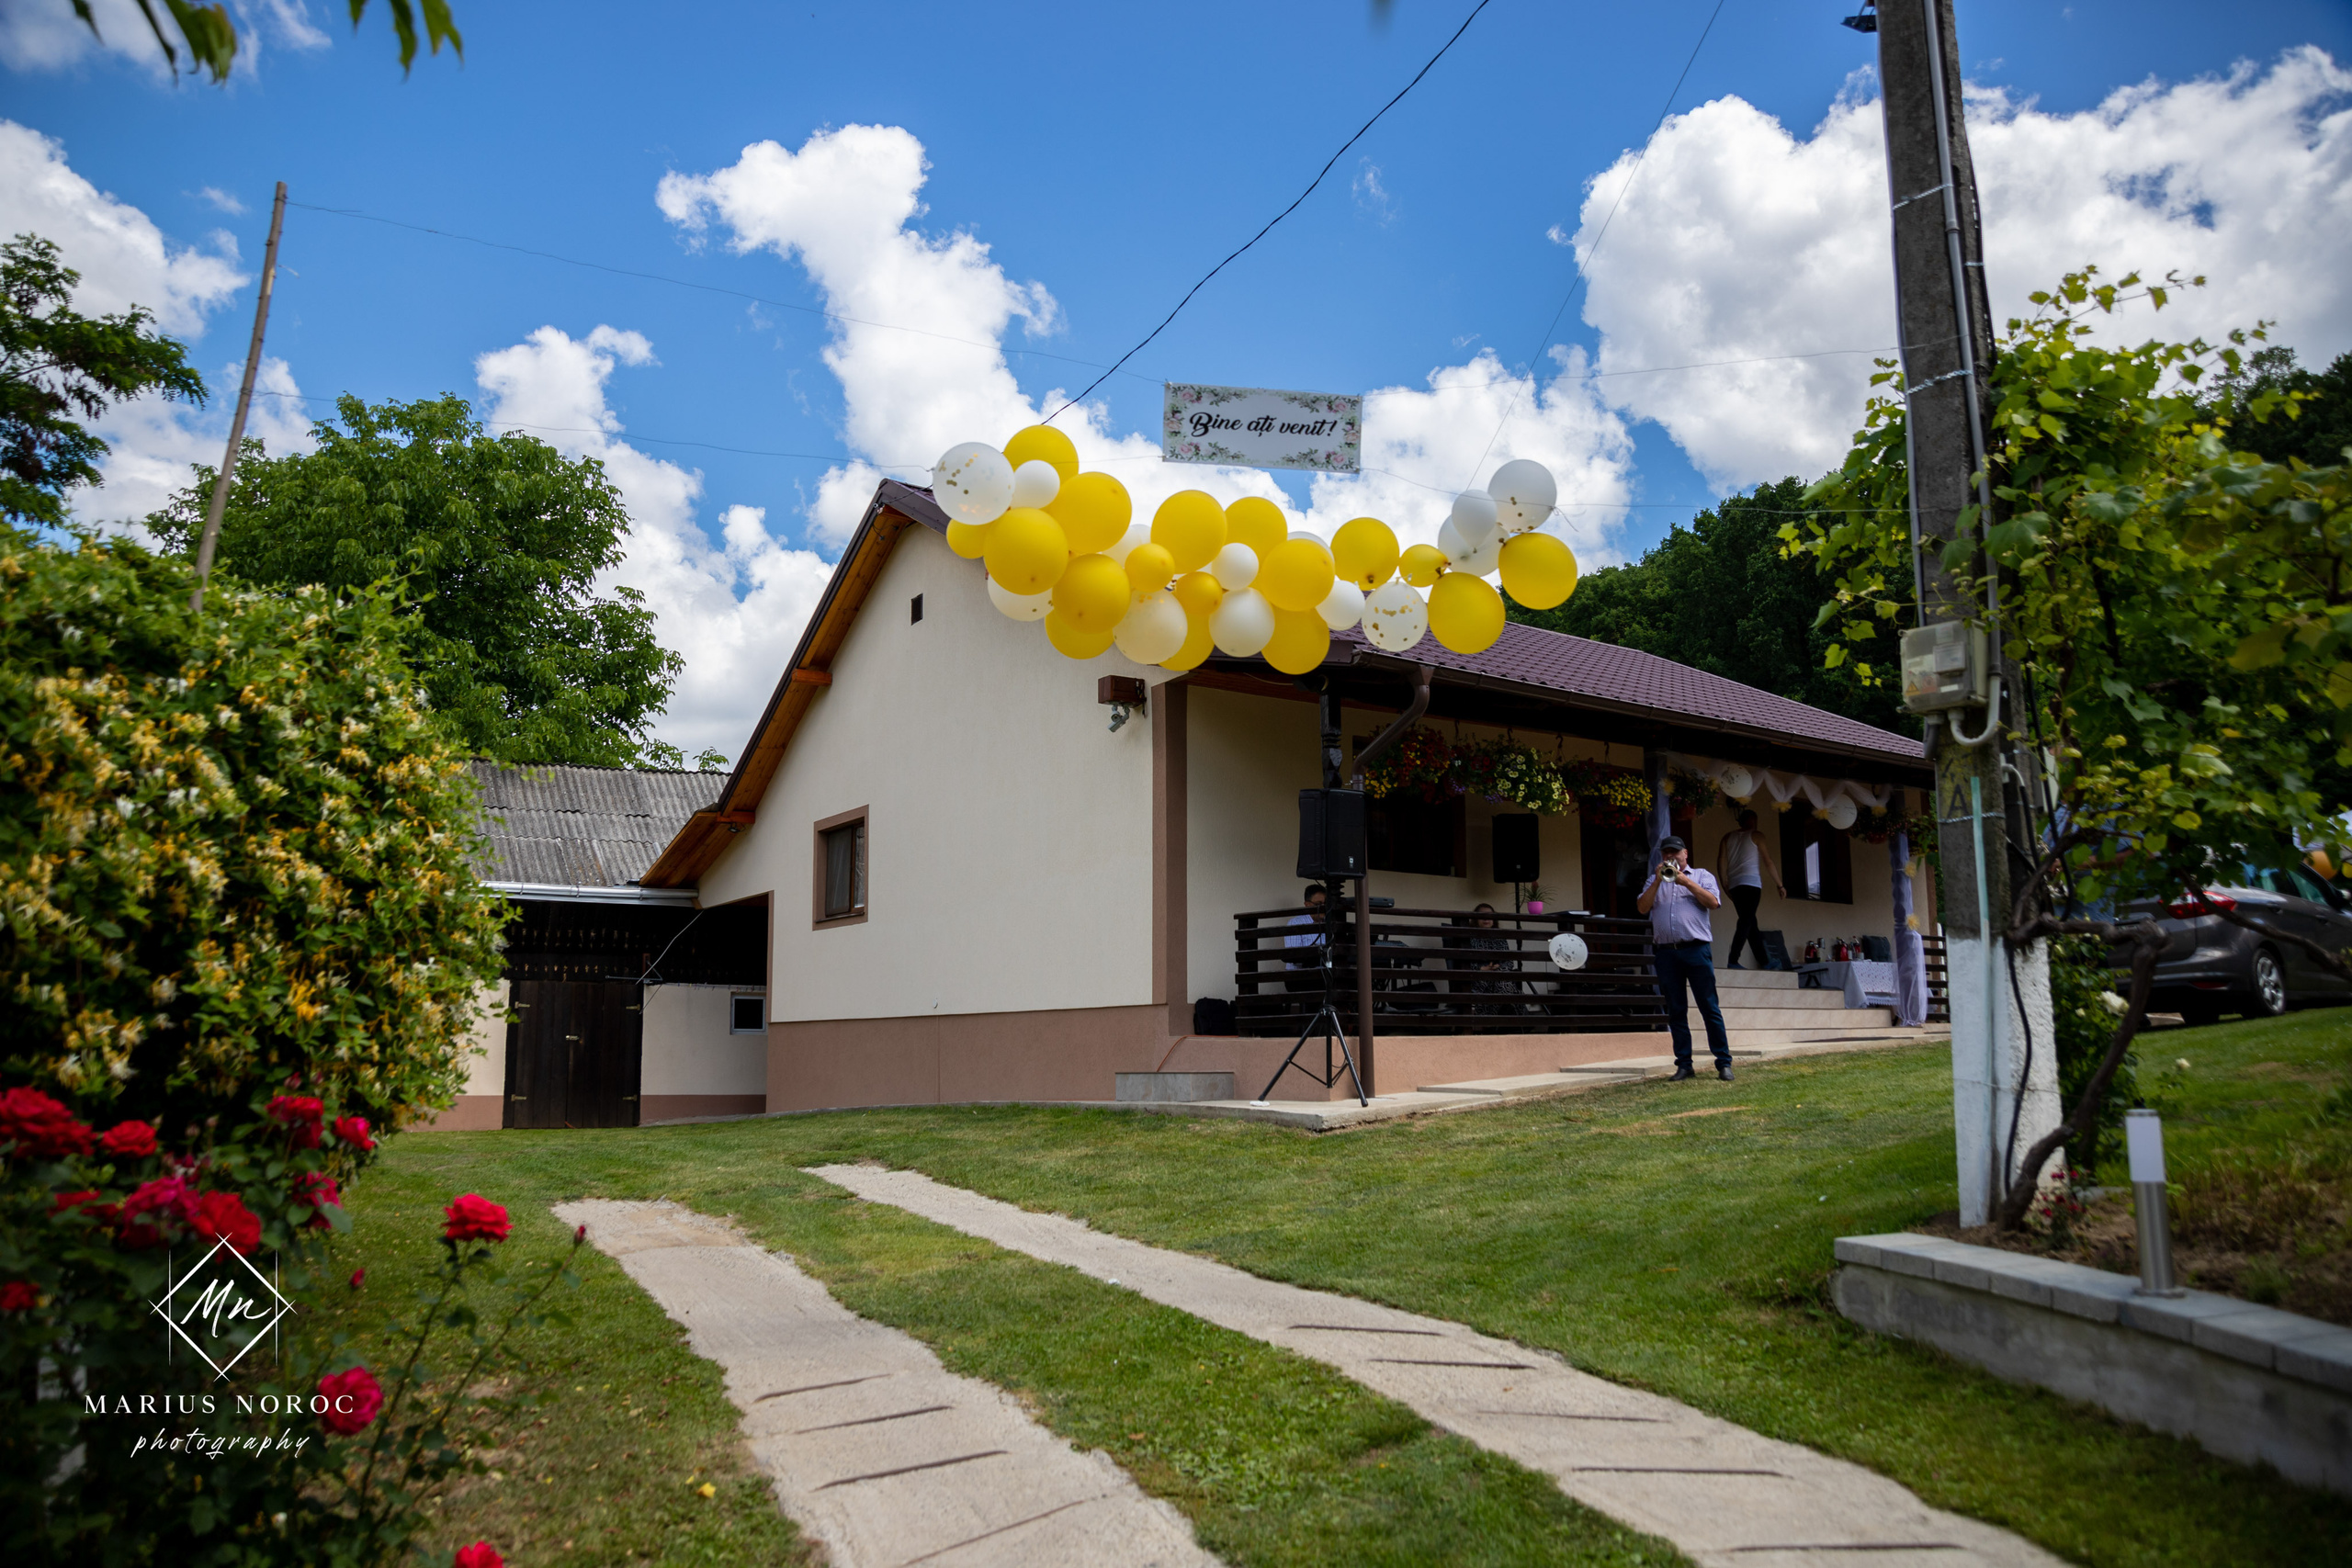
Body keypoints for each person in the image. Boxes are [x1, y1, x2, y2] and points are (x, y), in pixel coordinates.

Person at [1637, 834, 1734, 1081]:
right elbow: (1642, 908)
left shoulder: (1702, 876)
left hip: (1696, 950)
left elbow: (1713, 902)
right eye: (1666, 853)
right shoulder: (1653, 879)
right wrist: (1658, 882)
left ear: (1685, 854)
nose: (1671, 857)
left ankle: (1723, 1063)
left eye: (1675, 853)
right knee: (1676, 1010)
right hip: (1667, 953)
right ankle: (1684, 1064)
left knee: (1708, 1007)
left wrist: (1684, 881)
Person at [1715, 809, 1786, 969]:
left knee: (1750, 923)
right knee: (1746, 922)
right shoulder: (1757, 835)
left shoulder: (1727, 837)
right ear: (1754, 821)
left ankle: (1765, 961)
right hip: (1752, 885)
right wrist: (1780, 884)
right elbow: (1768, 862)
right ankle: (1733, 960)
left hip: (1735, 886)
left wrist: (1724, 884)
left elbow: (1720, 861)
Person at [1284, 884, 1330, 994]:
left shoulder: (1329, 924)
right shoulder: (1295, 923)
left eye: (1325, 904)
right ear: (1307, 904)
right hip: (1299, 977)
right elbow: (1294, 957)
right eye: (1319, 904)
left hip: (1325, 974)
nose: (1323, 907)